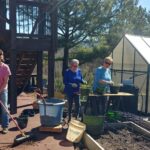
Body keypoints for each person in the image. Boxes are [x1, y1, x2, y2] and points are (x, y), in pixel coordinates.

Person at [0, 49, 11, 134]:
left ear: (1, 57)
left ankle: (5, 126)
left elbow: (5, 82)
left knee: (4, 108)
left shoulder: (5, 67)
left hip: (3, 90)